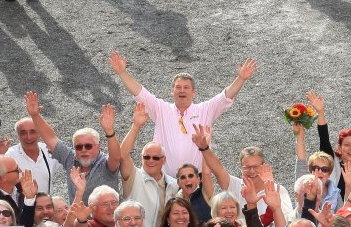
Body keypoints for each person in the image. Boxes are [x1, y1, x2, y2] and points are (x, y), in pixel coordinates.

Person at [109, 52, 255, 175]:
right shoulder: (161, 109)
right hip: (163, 181)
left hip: (194, 182)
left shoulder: (205, 109)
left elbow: (226, 96)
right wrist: (122, 73)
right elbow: (140, 92)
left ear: (193, 92)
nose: (182, 90)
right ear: (172, 92)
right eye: (178, 87)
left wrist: (241, 78)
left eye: (186, 87)